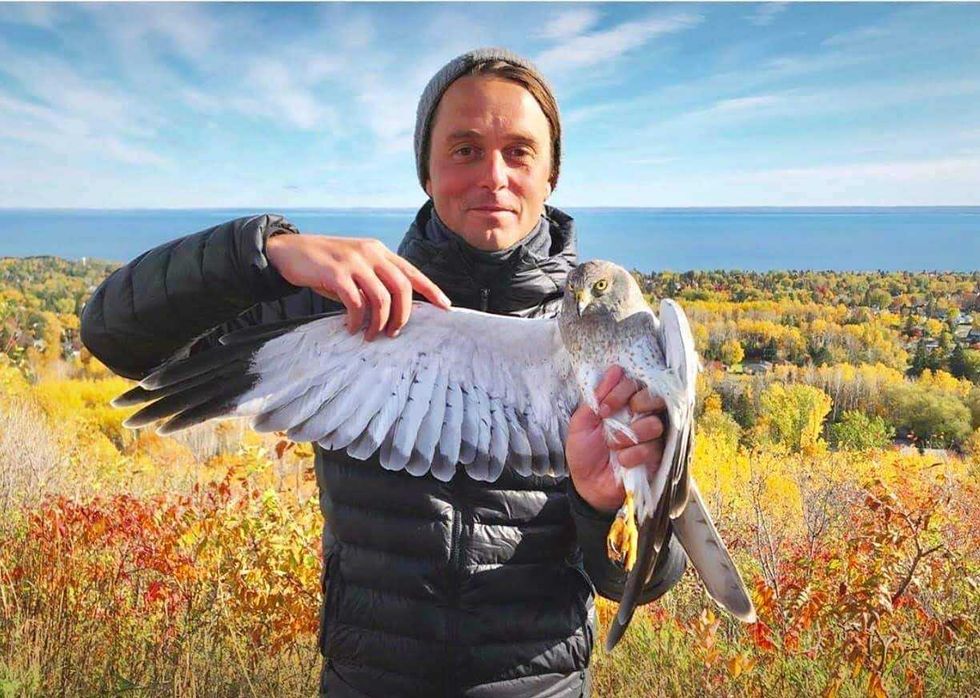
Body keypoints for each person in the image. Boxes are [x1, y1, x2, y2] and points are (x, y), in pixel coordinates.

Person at [81, 47, 686, 697]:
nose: (493, 176)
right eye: (464, 150)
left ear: (551, 173)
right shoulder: (347, 308)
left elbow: (640, 580)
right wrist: (268, 253)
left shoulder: (608, 333)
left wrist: (607, 505)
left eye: (518, 151)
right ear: (425, 171)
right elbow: (115, 334)